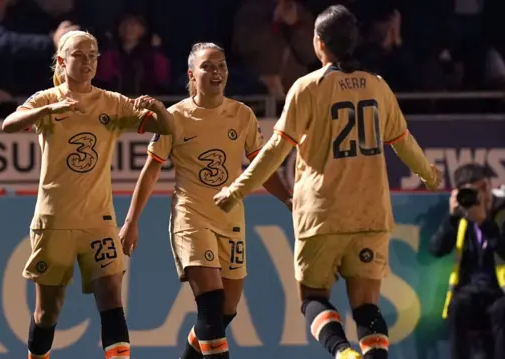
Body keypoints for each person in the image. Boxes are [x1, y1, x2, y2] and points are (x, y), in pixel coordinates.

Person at [213, 5, 442, 359]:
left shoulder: (308, 88)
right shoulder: (377, 86)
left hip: (322, 215)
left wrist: (236, 189)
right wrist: (429, 173)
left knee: (313, 298)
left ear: (319, 44)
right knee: (367, 305)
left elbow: (276, 150)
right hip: (370, 217)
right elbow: (403, 142)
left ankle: (342, 353)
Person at [1, 30, 174, 359]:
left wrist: (158, 108)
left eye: (93, 55)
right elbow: (9, 123)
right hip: (55, 221)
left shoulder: (111, 102)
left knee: (111, 294)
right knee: (48, 312)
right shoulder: (46, 100)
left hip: (99, 220)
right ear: (62, 60)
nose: (87, 62)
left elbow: (166, 129)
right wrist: (43, 114)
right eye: (79, 55)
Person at [119, 42, 292, 359]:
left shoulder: (242, 115)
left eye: (221, 65)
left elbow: (261, 167)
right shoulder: (174, 118)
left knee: (224, 313)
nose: (216, 72)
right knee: (210, 303)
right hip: (192, 216)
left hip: (231, 220)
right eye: (208, 66)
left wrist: (289, 201)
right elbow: (151, 170)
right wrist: (131, 221)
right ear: (191, 74)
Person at [430, 163, 505, 359]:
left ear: (490, 186)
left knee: (502, 310)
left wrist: (485, 223)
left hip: (500, 290)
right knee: (457, 307)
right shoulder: (462, 215)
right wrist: (452, 218)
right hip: (472, 289)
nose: (481, 196)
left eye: (483, 189)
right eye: (473, 192)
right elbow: (437, 249)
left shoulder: (503, 211)